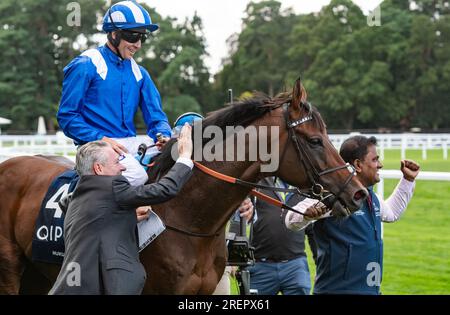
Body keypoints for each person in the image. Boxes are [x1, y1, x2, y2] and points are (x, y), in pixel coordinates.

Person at [49, 124, 194, 295]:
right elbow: (164, 189)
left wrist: (128, 216)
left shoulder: (77, 195)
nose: (123, 168)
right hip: (112, 286)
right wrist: (184, 157)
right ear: (99, 168)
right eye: (117, 162)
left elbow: (96, 221)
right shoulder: (113, 185)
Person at [285, 135, 420, 295]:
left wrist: (407, 180)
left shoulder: (371, 197)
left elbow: (391, 213)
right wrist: (307, 215)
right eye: (375, 160)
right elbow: (291, 221)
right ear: (358, 165)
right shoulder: (333, 194)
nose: (380, 165)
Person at [57, 1, 171, 187]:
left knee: (176, 159)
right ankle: (79, 197)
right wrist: (101, 139)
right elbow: (67, 117)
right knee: (138, 176)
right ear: (114, 33)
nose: (138, 44)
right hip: (93, 146)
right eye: (133, 36)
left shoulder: (140, 73)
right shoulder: (85, 64)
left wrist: (163, 135)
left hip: (127, 144)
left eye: (143, 37)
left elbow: (157, 117)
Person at [247, 177, 317, 295]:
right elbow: (238, 215)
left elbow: (312, 230)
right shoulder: (258, 181)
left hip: (295, 266)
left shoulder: (304, 186)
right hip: (260, 265)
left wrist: (318, 264)